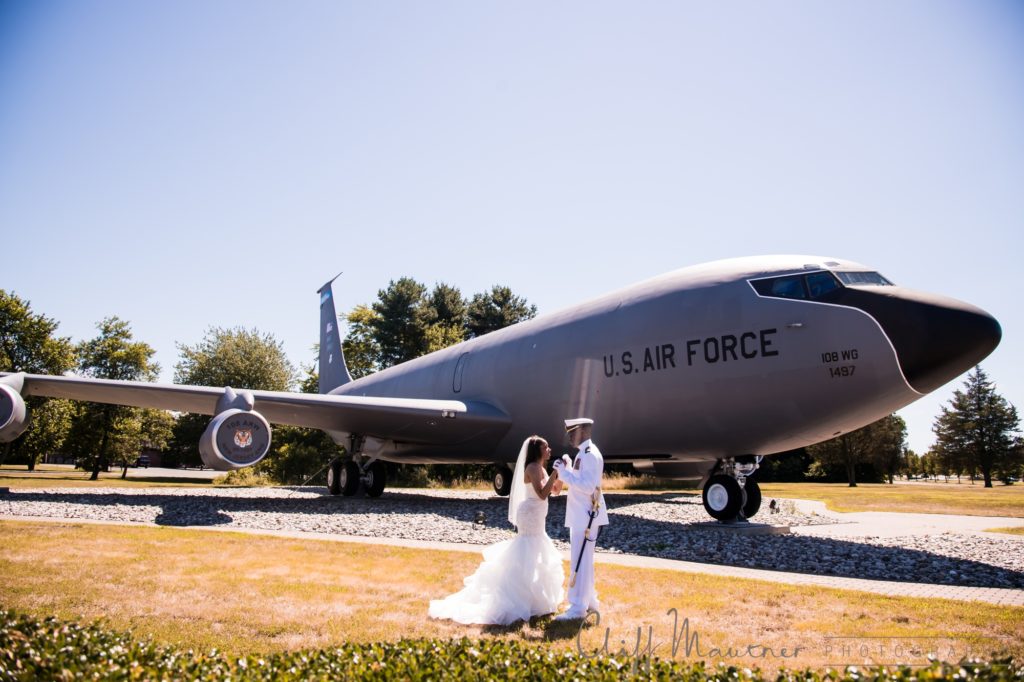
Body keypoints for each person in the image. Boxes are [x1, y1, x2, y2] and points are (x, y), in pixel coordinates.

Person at [428, 435, 565, 625]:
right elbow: (542, 494)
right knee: (528, 552)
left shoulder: (541, 468)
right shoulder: (532, 468)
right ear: (538, 451)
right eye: (546, 447)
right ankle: (519, 597)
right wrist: (553, 475)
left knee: (537, 553)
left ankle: (535, 600)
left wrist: (561, 474)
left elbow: (555, 491)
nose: (550, 450)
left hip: (538, 516)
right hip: (530, 514)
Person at [552, 417, 609, 621]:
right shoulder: (584, 453)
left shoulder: (589, 455)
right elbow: (581, 481)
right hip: (582, 514)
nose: (569, 436)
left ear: (583, 431)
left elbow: (587, 486)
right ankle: (590, 601)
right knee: (584, 560)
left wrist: (563, 474)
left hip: (585, 515)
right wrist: (566, 469)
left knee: (580, 560)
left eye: (572, 432)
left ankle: (577, 609)